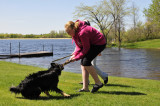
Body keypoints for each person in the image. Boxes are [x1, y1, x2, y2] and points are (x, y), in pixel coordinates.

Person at [65, 20, 106, 93]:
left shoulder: (82, 32)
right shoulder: (75, 34)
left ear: (73, 29)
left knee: (86, 62)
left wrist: (76, 58)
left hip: (99, 43)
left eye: (68, 32)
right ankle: (85, 88)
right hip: (92, 44)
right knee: (83, 64)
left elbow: (86, 48)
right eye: (67, 32)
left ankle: (98, 83)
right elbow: (78, 46)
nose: (68, 34)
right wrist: (74, 55)